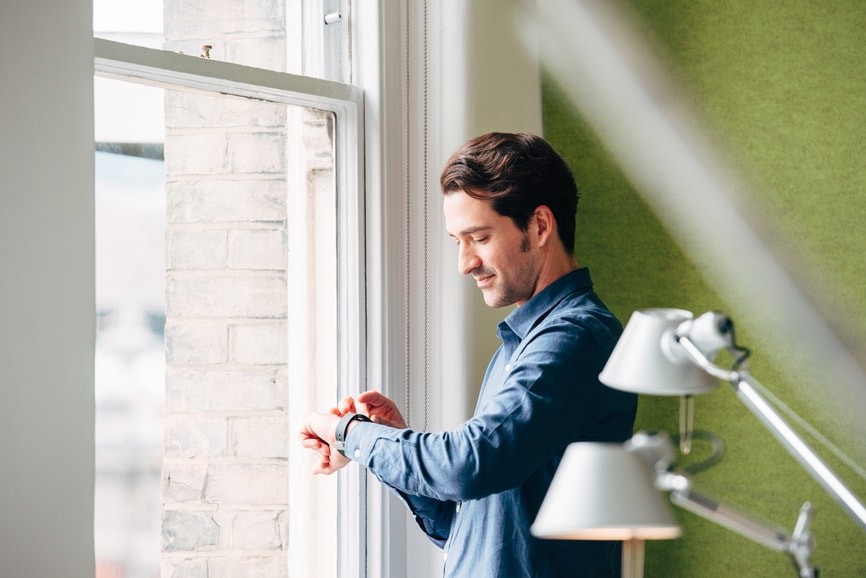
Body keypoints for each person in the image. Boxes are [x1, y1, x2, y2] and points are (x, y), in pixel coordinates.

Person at [299, 131, 638, 577]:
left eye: (478, 237)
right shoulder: (525, 343)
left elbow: (468, 465)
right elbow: (467, 529)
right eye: (457, 241)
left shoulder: (572, 337)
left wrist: (350, 434)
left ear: (539, 225)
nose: (465, 263)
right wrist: (386, 438)